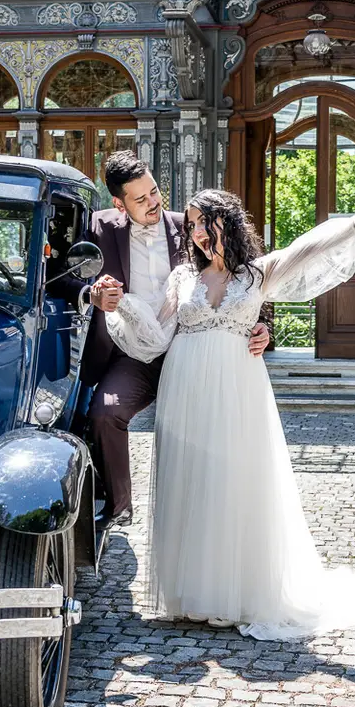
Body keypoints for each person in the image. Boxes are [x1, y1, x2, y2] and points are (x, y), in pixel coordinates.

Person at [102, 188, 355, 639]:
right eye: (192, 224)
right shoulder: (182, 279)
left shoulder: (257, 274)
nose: (196, 232)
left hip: (237, 389)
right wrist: (122, 307)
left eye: (205, 221)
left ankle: (236, 593)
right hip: (185, 387)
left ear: (228, 223)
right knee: (190, 480)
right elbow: (157, 337)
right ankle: (191, 594)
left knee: (234, 482)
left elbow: (310, 245)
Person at [81, 153, 268, 527]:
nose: (153, 203)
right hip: (132, 356)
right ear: (118, 203)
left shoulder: (192, 226)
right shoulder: (98, 228)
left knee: (209, 434)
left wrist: (259, 324)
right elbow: (65, 276)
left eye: (154, 192)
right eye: (140, 199)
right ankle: (119, 506)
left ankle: (216, 520)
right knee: (103, 413)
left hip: (192, 348)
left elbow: (239, 272)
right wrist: (92, 294)